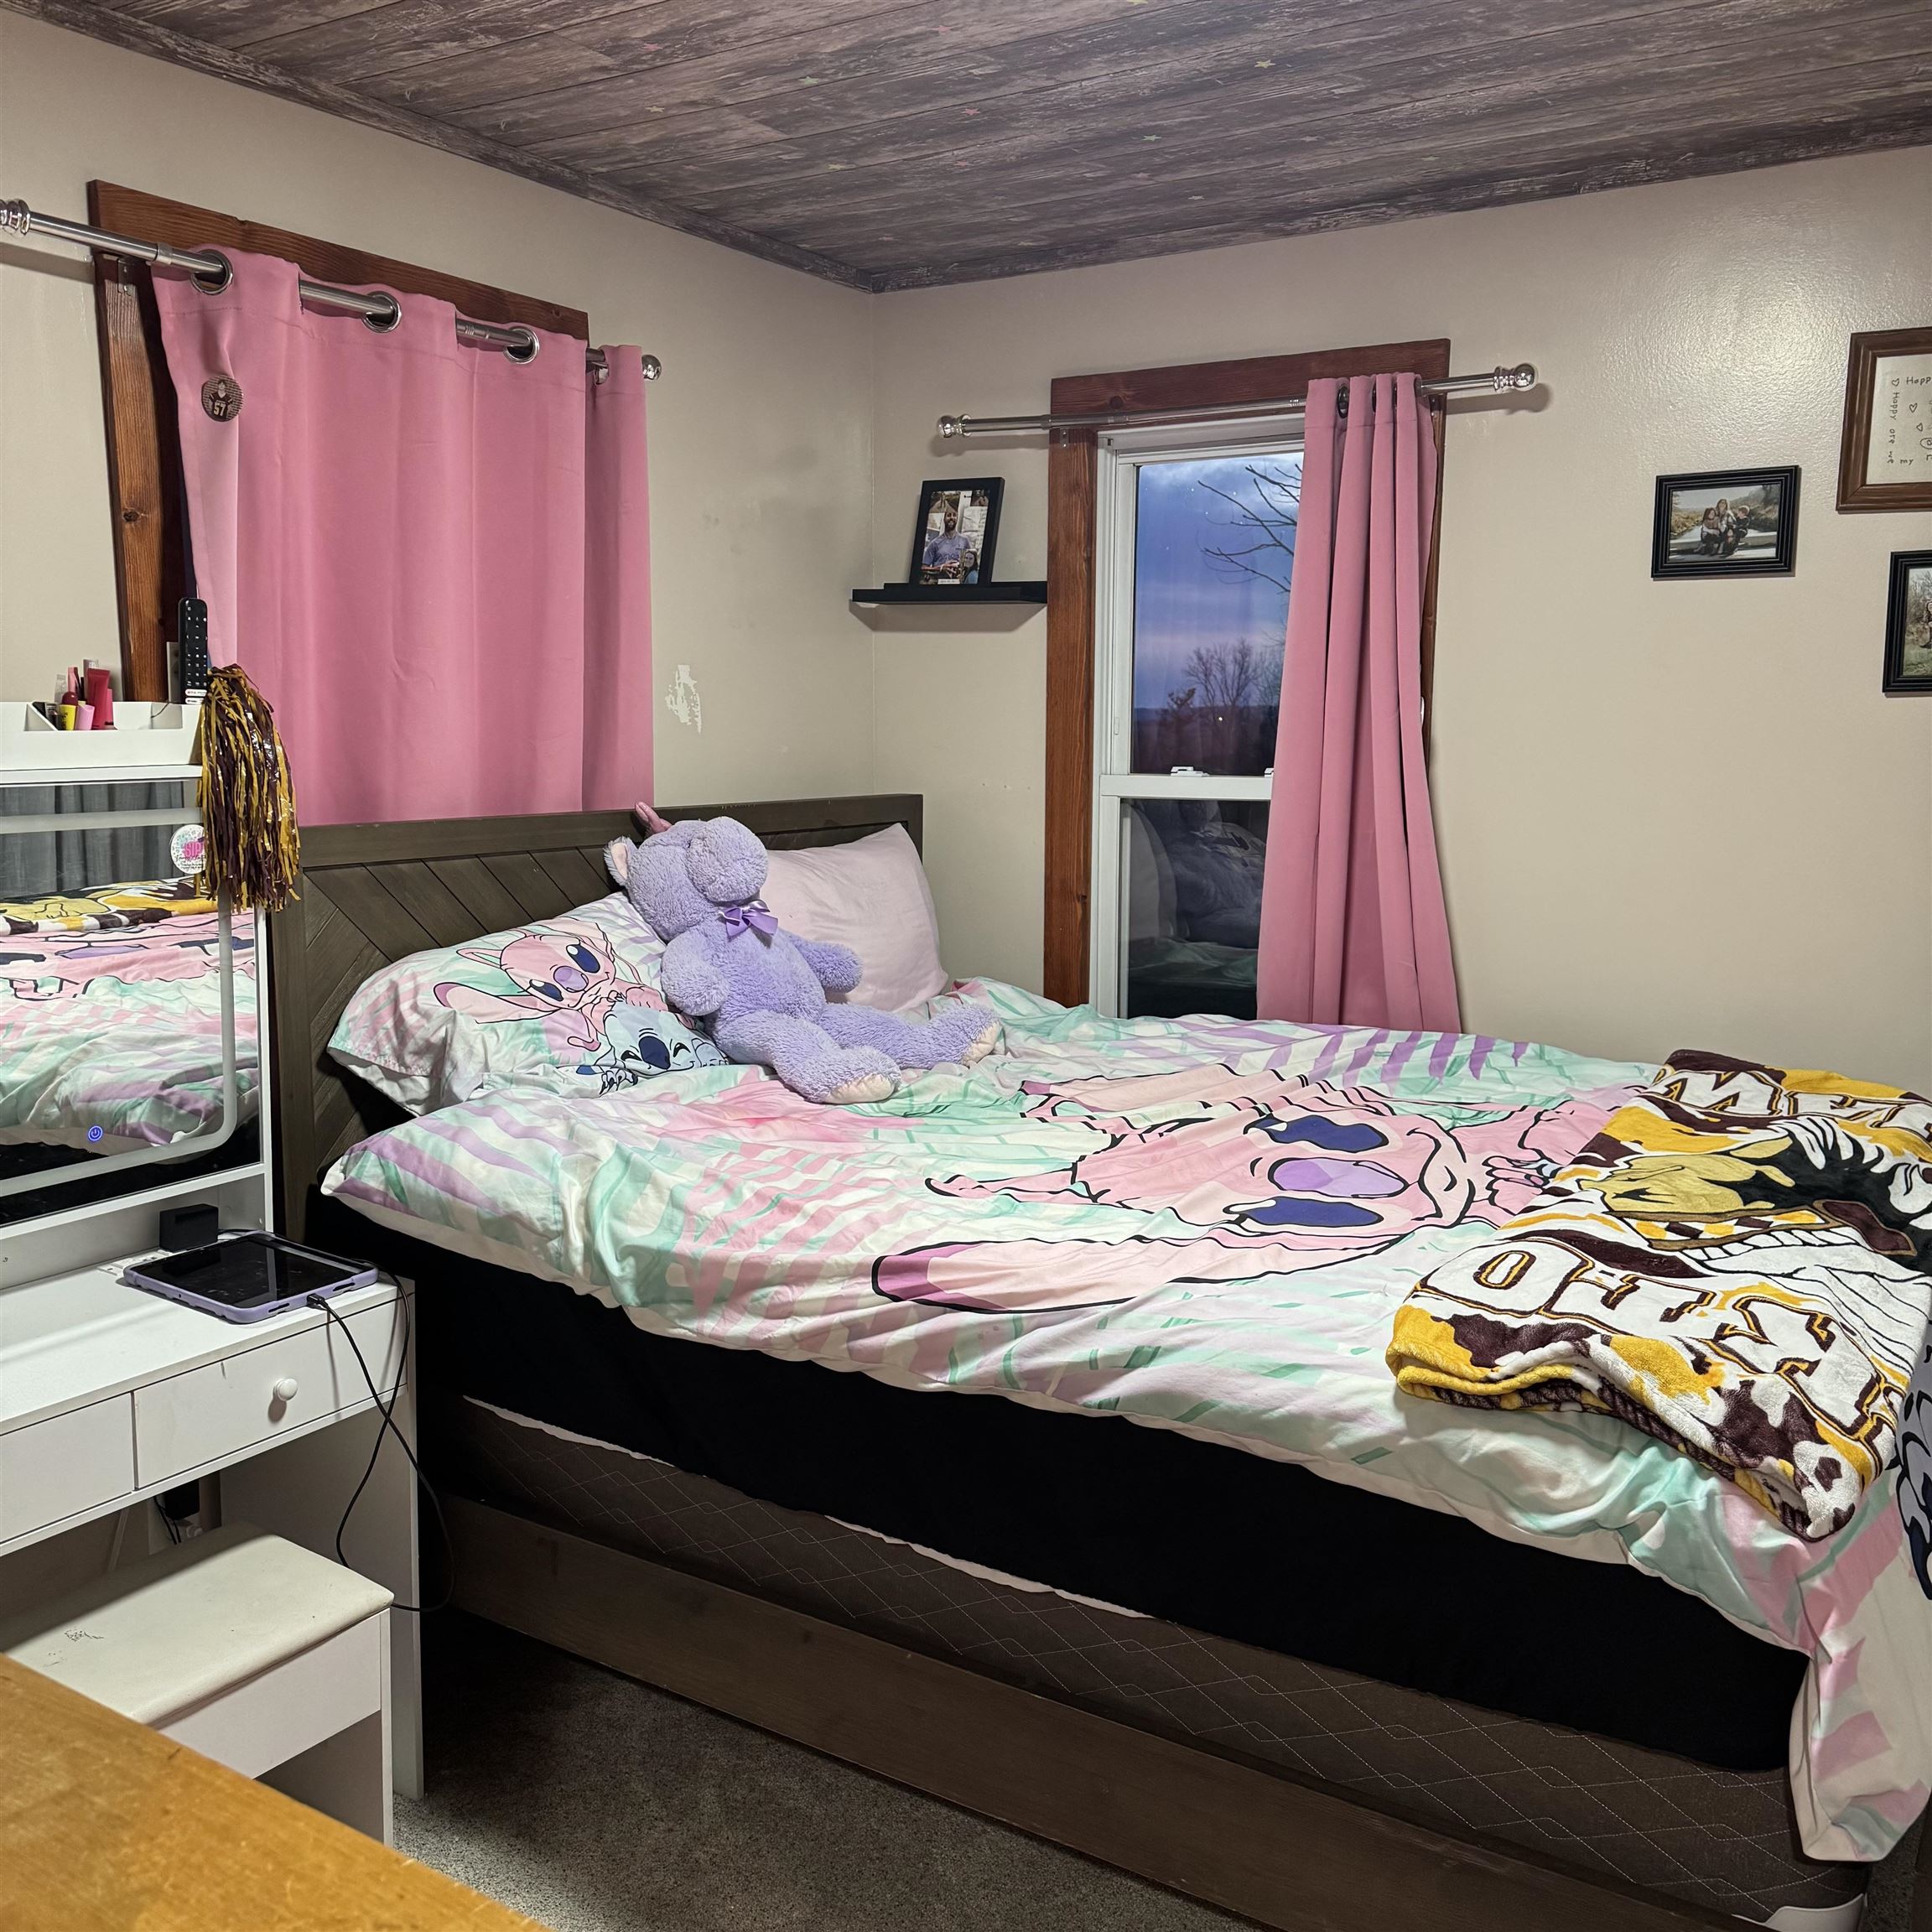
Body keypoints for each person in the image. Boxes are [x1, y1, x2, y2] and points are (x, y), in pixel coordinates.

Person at [921, 504, 969, 579]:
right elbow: (923, 569)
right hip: (938, 585)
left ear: (957, 518)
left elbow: (971, 563)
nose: (952, 518)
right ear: (944, 518)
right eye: (949, 515)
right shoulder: (934, 543)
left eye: (954, 515)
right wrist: (941, 568)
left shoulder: (964, 541)